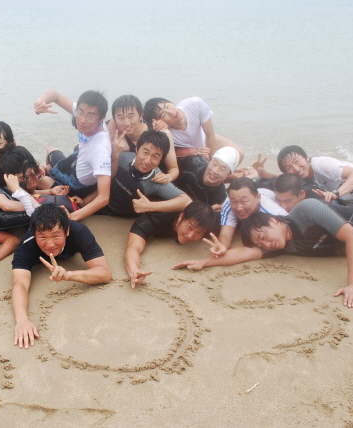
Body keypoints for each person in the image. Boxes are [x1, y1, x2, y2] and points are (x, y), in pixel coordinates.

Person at [173, 197, 353, 308]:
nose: (266, 244)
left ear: (274, 220)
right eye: (261, 244)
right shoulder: (282, 246)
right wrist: (205, 262)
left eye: (263, 235)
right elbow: (244, 253)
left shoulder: (306, 210)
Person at [11, 204, 112, 349]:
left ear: (67, 231)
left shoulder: (79, 232)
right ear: (34, 234)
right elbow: (19, 283)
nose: (50, 244)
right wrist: (22, 320)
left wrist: (68, 275)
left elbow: (105, 274)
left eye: (56, 236)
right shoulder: (27, 245)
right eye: (42, 237)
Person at [34, 89, 112, 221]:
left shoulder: (100, 150)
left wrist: (73, 217)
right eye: (80, 113)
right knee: (50, 150)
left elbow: (104, 197)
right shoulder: (85, 114)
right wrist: (40, 102)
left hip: (76, 185)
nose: (82, 120)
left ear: (101, 119)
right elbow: (55, 95)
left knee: (41, 181)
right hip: (77, 161)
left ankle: (50, 178)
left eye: (90, 117)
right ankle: (49, 171)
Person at [124, 201, 217, 288]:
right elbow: (133, 248)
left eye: (199, 233)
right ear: (181, 216)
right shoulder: (150, 220)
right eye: (189, 227)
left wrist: (222, 247)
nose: (190, 236)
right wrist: (134, 269)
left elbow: (226, 227)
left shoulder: (209, 224)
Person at [103, 130, 192, 216]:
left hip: (122, 217)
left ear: (161, 160)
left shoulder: (157, 180)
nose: (147, 161)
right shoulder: (123, 158)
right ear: (137, 149)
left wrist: (150, 206)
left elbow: (186, 201)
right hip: (103, 205)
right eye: (145, 152)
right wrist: (114, 157)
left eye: (155, 157)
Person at [143, 96, 244, 162]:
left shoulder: (195, 104)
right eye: (163, 114)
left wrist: (213, 163)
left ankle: (230, 176)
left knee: (239, 154)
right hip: (193, 152)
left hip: (205, 137)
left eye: (167, 106)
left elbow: (210, 135)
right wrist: (155, 127)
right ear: (158, 120)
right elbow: (168, 155)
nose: (171, 112)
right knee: (208, 161)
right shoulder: (165, 132)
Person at [107, 95, 179, 183]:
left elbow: (173, 168)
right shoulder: (118, 140)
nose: (127, 123)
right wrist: (114, 154)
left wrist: (168, 177)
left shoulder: (161, 132)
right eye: (121, 118)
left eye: (131, 116)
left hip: (156, 180)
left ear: (141, 116)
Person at [215, 177, 287, 256]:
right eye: (234, 202)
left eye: (244, 201)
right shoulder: (229, 204)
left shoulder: (271, 209)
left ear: (258, 198)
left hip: (268, 189)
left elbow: (290, 224)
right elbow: (225, 234)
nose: (239, 208)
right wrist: (222, 247)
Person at [174, 146, 240, 210]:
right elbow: (170, 170)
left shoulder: (220, 198)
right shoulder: (192, 162)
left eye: (222, 169)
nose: (215, 171)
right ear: (210, 161)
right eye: (214, 163)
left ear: (228, 175)